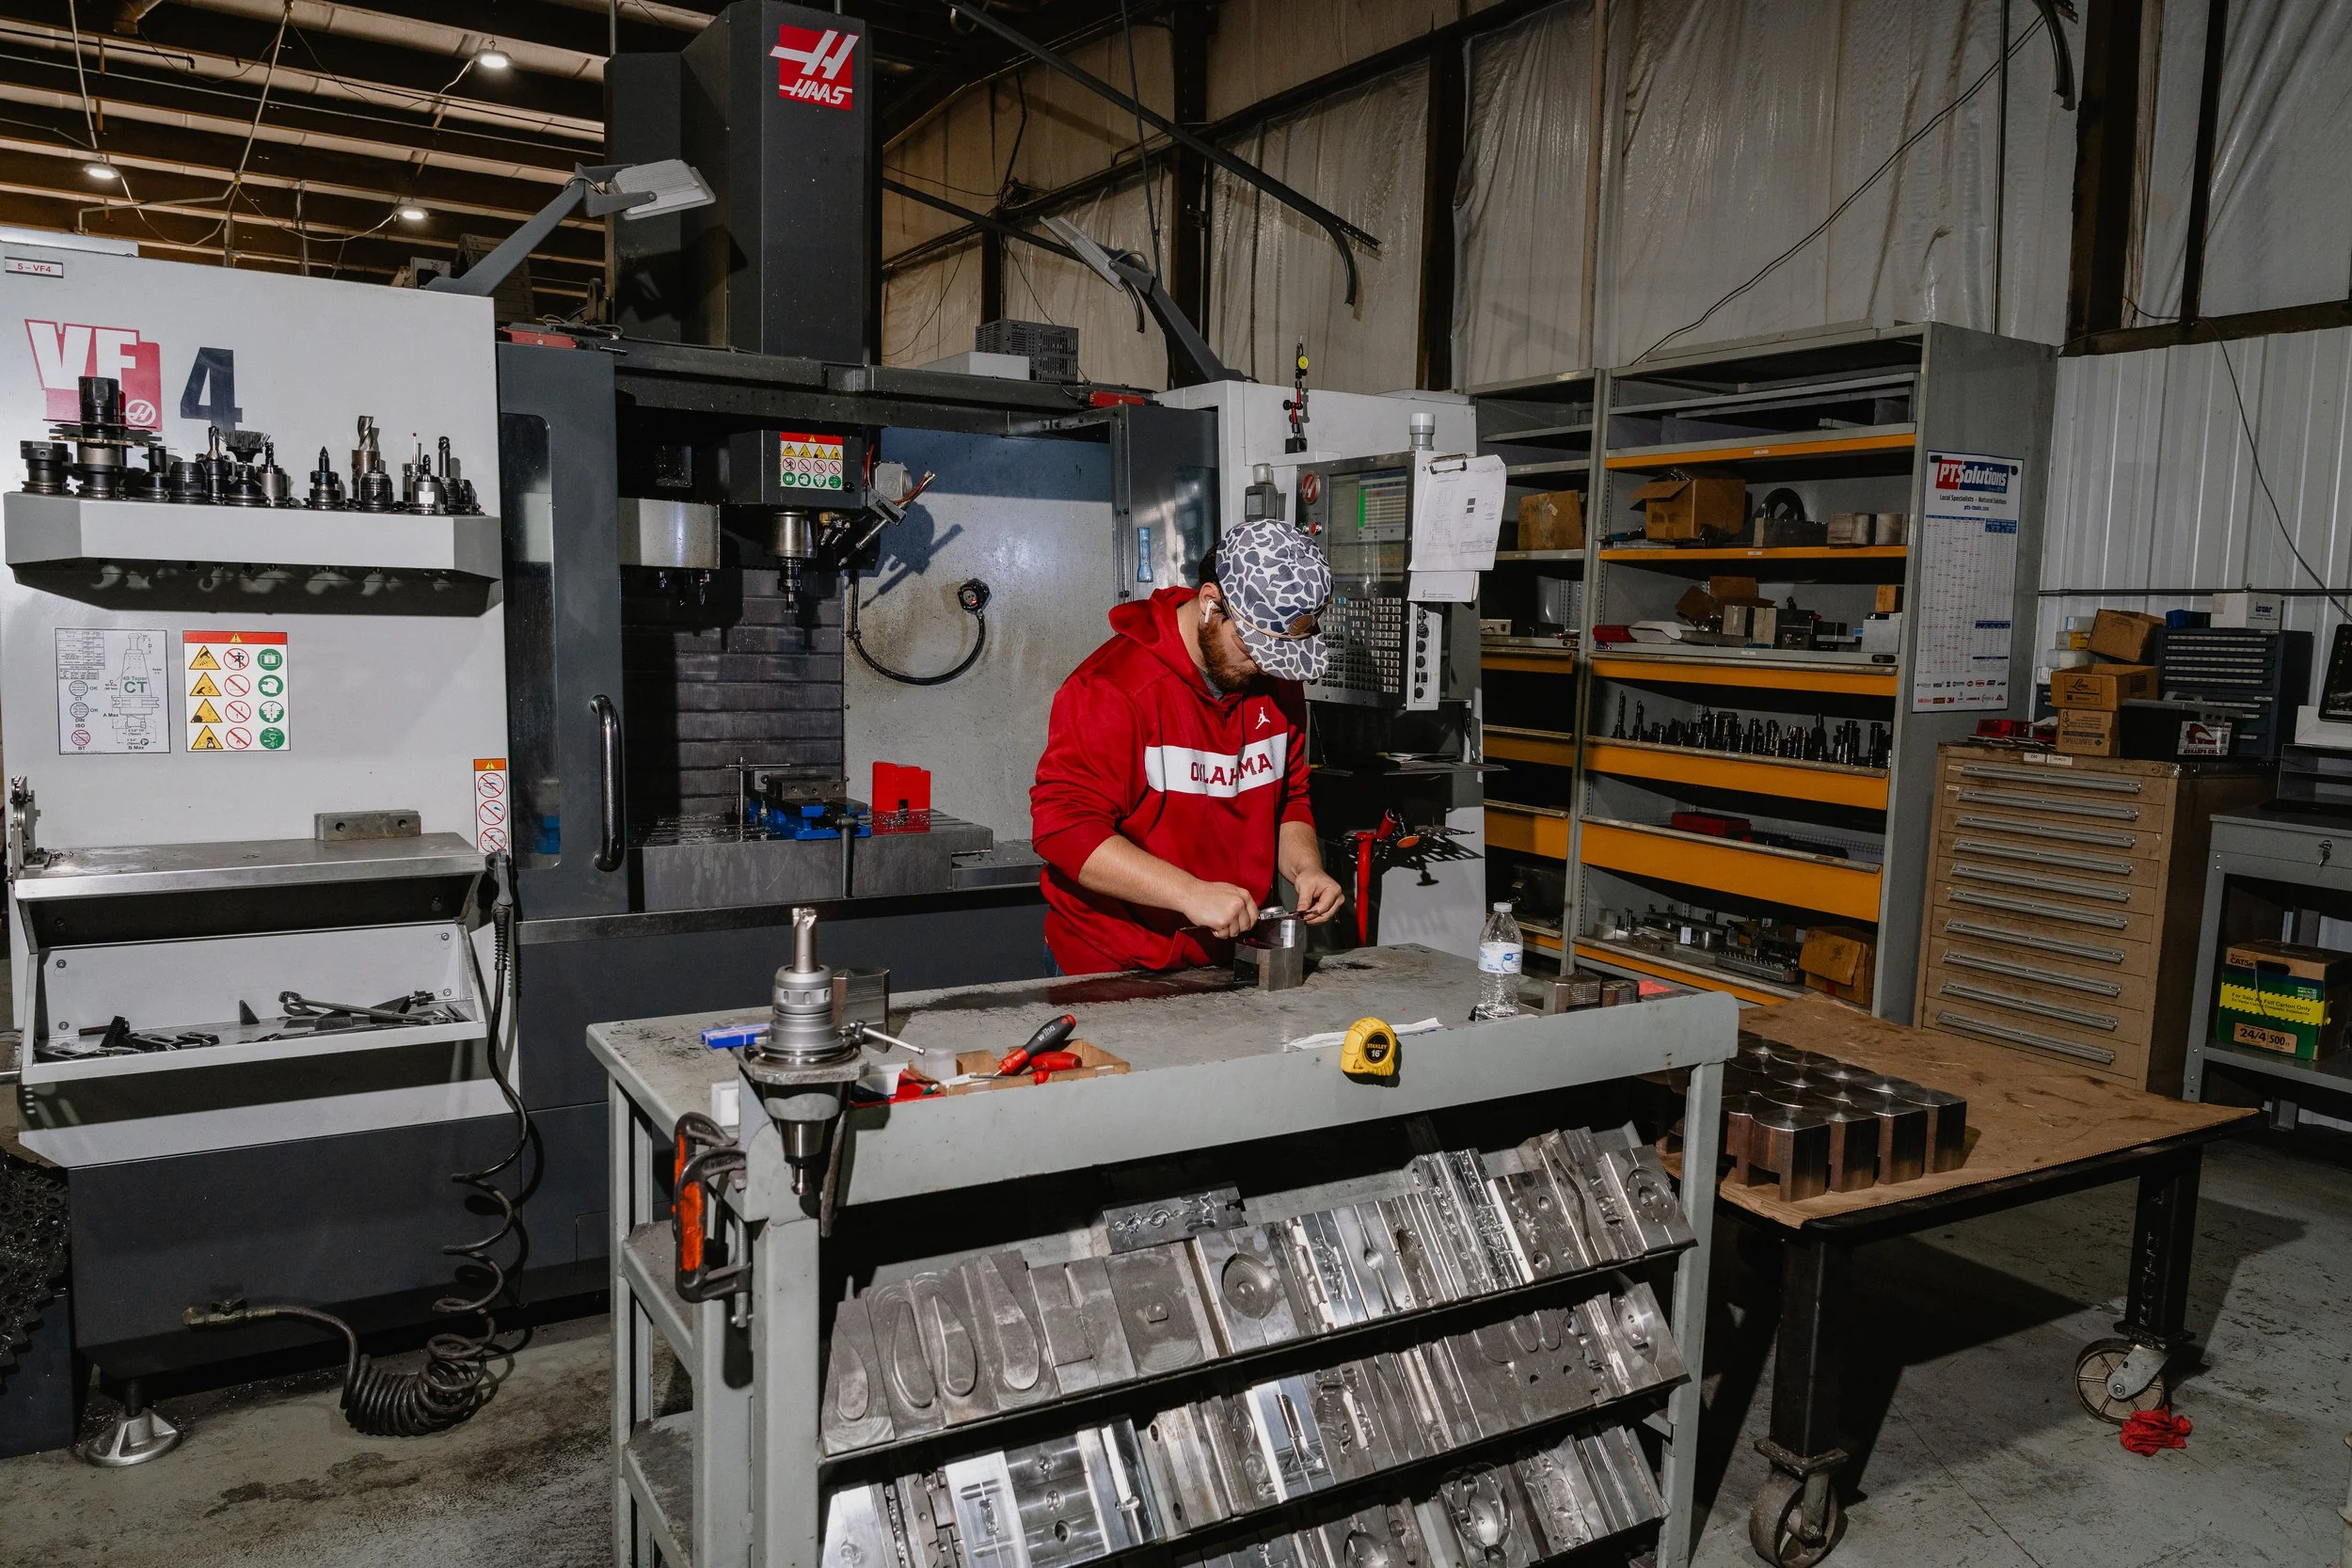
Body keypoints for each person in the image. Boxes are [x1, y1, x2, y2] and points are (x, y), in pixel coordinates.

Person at [1030, 518, 1347, 974]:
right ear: (1210, 604)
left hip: (1225, 955)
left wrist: (1305, 869)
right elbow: (1063, 830)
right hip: (1112, 964)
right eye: (1253, 647)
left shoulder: (1274, 682)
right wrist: (1188, 893)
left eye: (1277, 656)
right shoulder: (1112, 690)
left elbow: (1289, 799)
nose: (1264, 666)